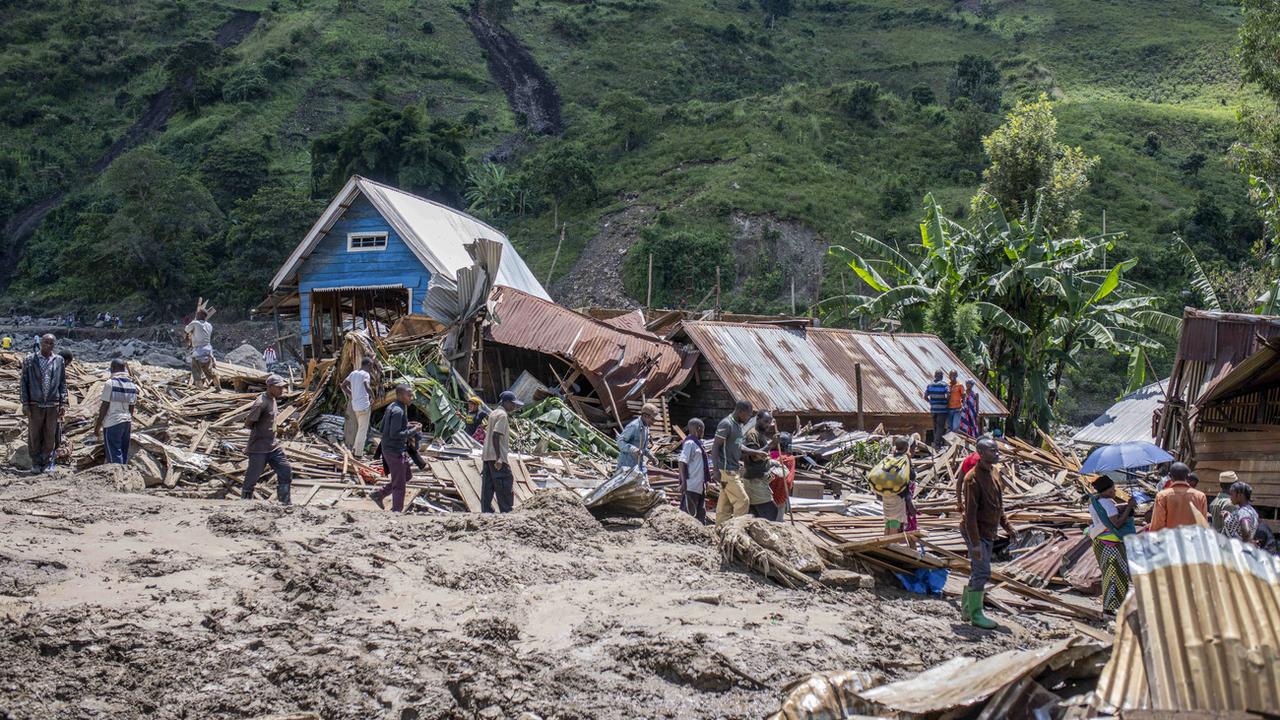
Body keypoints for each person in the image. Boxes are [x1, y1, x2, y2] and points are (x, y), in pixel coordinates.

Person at [961, 437, 1018, 629]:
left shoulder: (994, 473)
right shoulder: (973, 479)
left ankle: (967, 608)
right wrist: (975, 544)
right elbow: (969, 516)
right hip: (976, 531)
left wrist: (1008, 527)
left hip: (989, 529)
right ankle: (977, 614)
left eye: (997, 450)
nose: (997, 454)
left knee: (978, 571)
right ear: (982, 453)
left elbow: (998, 505)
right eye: (993, 451)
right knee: (983, 571)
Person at [1087, 476, 1137, 614]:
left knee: (1110, 574)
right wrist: (1129, 508)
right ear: (1106, 490)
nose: (1115, 491)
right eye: (1112, 489)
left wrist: (1123, 507)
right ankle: (1110, 608)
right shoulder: (1108, 503)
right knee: (1115, 574)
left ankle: (1113, 606)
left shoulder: (1094, 502)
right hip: (1111, 543)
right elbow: (1117, 523)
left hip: (1099, 542)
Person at [19, 334, 67, 473]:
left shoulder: (59, 360)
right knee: (34, 434)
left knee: (50, 434)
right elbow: (24, 383)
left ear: (54, 345)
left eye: (51, 343)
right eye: (46, 342)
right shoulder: (29, 360)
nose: (48, 345)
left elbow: (62, 383)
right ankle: (36, 462)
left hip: (52, 404)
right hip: (35, 403)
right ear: (40, 343)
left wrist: (63, 402)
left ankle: (46, 462)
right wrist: (25, 403)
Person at [369, 384, 421, 512]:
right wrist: (414, 430)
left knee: (406, 476)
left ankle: (379, 494)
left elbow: (384, 428)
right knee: (399, 485)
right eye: (409, 395)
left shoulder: (393, 407)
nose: (411, 398)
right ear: (401, 395)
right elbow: (395, 434)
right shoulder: (398, 411)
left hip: (392, 449)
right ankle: (396, 511)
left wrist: (407, 425)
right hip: (394, 451)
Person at [240, 375, 292, 504]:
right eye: (279, 388)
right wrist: (261, 431)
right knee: (252, 477)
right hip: (259, 447)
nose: (282, 390)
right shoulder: (261, 403)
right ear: (270, 387)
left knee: (285, 470)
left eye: (283, 388)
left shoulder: (273, 399)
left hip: (273, 445)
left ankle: (284, 503)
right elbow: (248, 423)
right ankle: (244, 504)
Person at [713, 400, 754, 524]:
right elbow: (715, 447)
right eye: (748, 415)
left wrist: (758, 452)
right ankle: (736, 531)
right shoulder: (726, 424)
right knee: (742, 501)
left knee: (724, 505)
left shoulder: (737, 426)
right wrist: (716, 470)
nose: (748, 418)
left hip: (733, 470)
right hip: (727, 471)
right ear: (740, 411)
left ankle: (719, 533)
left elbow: (738, 446)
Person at [481, 391, 522, 513]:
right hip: (496, 457)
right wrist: (499, 458)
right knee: (505, 483)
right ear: (507, 402)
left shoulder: (493, 413)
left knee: (488, 486)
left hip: (487, 456)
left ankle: (486, 511)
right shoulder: (503, 415)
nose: (514, 407)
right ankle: (507, 511)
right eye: (513, 404)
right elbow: (496, 435)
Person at [93, 359, 137, 464]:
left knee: (114, 454)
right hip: (126, 422)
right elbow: (132, 407)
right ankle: (124, 475)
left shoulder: (110, 383)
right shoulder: (132, 385)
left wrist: (97, 426)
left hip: (113, 422)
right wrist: (127, 419)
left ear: (112, 368)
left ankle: (117, 477)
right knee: (123, 450)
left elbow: (104, 406)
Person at [1149, 462, 1207, 532]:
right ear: (1188, 476)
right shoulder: (1200, 496)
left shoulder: (1162, 496)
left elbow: (1157, 524)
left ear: (1170, 476)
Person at [742, 410, 777, 520]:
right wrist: (771, 444)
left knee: (757, 515)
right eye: (765, 421)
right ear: (757, 419)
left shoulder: (760, 435)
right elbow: (754, 456)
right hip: (755, 480)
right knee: (771, 512)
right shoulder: (753, 434)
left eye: (769, 422)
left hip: (759, 479)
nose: (767, 425)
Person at [678, 418, 711, 524]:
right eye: (703, 430)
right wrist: (683, 482)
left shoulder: (699, 444)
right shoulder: (690, 443)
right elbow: (682, 461)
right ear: (699, 428)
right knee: (687, 516)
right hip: (691, 485)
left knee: (700, 515)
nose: (703, 433)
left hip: (699, 486)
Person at [340, 358, 374, 458]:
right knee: (362, 430)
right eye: (371, 366)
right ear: (367, 364)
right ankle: (358, 453)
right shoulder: (366, 374)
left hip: (355, 406)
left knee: (360, 429)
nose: (371, 368)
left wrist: (352, 394)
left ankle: (355, 449)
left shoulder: (353, 373)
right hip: (364, 406)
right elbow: (367, 385)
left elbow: (343, 385)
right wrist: (373, 396)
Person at [618, 403, 658, 473]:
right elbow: (620, 442)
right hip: (627, 467)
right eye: (653, 419)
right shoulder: (634, 426)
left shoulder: (646, 428)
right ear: (645, 416)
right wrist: (633, 449)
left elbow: (642, 448)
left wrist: (650, 456)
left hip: (638, 466)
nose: (654, 422)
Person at [185, 310, 218, 389]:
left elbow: (186, 330)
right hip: (208, 351)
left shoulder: (195, 323)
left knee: (196, 370)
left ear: (201, 315)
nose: (196, 315)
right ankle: (218, 386)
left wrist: (192, 322)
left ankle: (199, 388)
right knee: (209, 371)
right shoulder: (209, 325)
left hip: (198, 351)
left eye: (197, 314)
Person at [769, 432, 796, 522]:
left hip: (768, 492)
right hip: (781, 492)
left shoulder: (769, 455)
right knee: (778, 519)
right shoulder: (790, 458)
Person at [923, 370, 950, 449]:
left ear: (935, 376)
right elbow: (948, 395)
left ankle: (936, 443)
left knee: (935, 427)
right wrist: (947, 402)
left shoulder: (930, 385)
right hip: (942, 409)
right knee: (940, 427)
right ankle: (937, 444)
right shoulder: (944, 385)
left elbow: (925, 397)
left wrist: (931, 402)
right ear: (941, 376)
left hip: (934, 409)